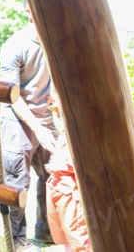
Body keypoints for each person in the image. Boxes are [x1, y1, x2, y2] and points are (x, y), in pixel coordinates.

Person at [0, 0, 57, 252]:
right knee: (17, 182)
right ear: (29, 11)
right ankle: (17, 240)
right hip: (16, 120)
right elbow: (13, 97)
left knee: (53, 176)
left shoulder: (55, 43)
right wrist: (38, 128)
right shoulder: (14, 46)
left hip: (47, 118)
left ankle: (46, 233)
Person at [45, 95, 91, 252]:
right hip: (58, 189)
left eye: (59, 112)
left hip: (71, 193)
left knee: (79, 241)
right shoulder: (65, 130)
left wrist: (63, 165)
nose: (58, 118)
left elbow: (88, 162)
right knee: (65, 238)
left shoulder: (81, 129)